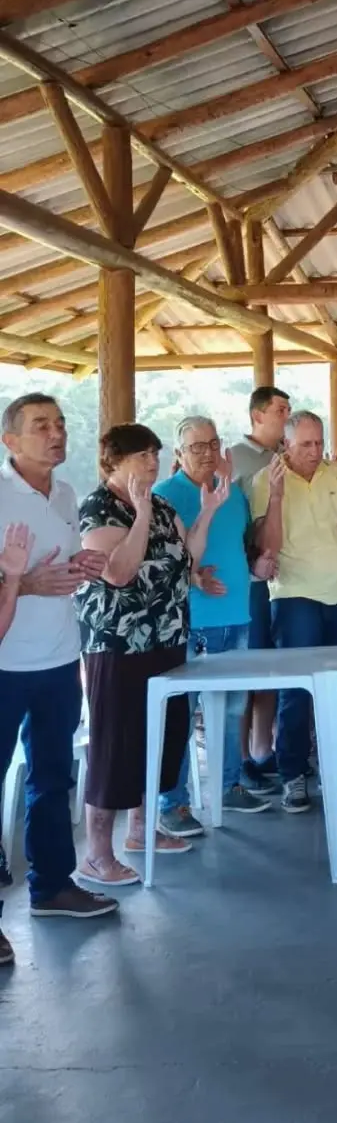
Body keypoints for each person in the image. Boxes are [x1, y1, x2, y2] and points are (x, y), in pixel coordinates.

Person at [76, 422, 228, 885]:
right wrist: (139, 515)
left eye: (155, 454)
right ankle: (97, 854)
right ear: (114, 462)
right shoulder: (97, 509)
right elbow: (119, 572)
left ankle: (142, 831)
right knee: (114, 745)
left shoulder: (162, 506)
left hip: (167, 639)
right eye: (142, 455)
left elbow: (188, 556)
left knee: (161, 736)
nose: (152, 462)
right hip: (118, 646)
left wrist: (208, 512)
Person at [0, 396, 118, 965]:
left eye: (61, 424)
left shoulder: (68, 494)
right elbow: (21, 577)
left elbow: (63, 563)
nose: (56, 434)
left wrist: (81, 568)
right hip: (5, 663)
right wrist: (24, 585)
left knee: (52, 779)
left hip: (58, 659)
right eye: (41, 426)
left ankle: (52, 886)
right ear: (9, 441)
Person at [154, 417, 277, 833]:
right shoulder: (164, 496)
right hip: (191, 623)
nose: (207, 453)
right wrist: (194, 577)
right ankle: (173, 803)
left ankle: (227, 787)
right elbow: (162, 561)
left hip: (237, 615)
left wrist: (256, 560)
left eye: (212, 444)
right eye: (195, 447)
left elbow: (239, 543)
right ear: (178, 455)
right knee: (181, 717)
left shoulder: (234, 494)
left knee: (232, 709)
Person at [251, 411, 337, 813]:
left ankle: (334, 765)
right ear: (285, 444)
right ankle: (293, 774)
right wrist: (279, 496)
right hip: (294, 593)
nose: (315, 451)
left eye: (319, 442)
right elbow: (268, 544)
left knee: (336, 686)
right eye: (306, 444)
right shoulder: (264, 481)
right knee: (298, 687)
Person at [228, 384, 290, 782]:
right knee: (246, 670)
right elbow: (231, 519)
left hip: (280, 576)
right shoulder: (234, 458)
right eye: (280, 409)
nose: (286, 415)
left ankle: (264, 749)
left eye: (288, 409)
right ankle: (239, 759)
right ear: (257, 415)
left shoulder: (282, 456)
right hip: (249, 575)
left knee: (271, 666)